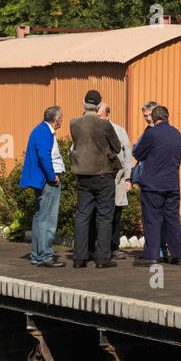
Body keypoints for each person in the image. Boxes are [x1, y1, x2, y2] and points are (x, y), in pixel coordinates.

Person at [69, 89, 123, 268]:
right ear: (99, 105)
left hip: (83, 176)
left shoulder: (74, 124)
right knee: (105, 215)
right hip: (103, 174)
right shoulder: (104, 125)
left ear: (84, 104)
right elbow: (116, 147)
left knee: (82, 215)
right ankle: (102, 257)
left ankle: (79, 257)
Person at [132, 104, 181, 266]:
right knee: (173, 219)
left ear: (154, 119)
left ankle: (152, 255)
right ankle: (179, 255)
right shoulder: (176, 133)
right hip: (172, 183)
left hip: (152, 184)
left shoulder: (152, 133)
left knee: (152, 219)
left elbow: (138, 153)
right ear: (167, 117)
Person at [20, 105, 65, 267]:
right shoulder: (44, 132)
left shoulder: (40, 130)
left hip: (41, 180)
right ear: (56, 119)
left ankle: (37, 254)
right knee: (47, 218)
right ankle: (44, 255)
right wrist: (53, 176)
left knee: (40, 217)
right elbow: (44, 156)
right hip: (47, 181)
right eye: (61, 118)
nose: (62, 121)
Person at [99, 103, 134, 260]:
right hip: (97, 180)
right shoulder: (91, 130)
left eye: (99, 116)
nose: (97, 119)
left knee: (115, 214)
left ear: (107, 115)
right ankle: (98, 247)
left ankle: (114, 247)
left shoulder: (119, 131)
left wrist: (128, 178)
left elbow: (127, 156)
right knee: (98, 214)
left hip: (117, 180)